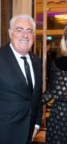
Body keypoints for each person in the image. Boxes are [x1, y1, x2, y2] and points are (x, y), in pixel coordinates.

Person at [0, 15, 43, 144]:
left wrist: (36, 124)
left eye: (29, 31)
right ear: (10, 33)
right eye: (19, 30)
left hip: (29, 134)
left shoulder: (36, 60)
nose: (25, 35)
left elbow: (37, 97)